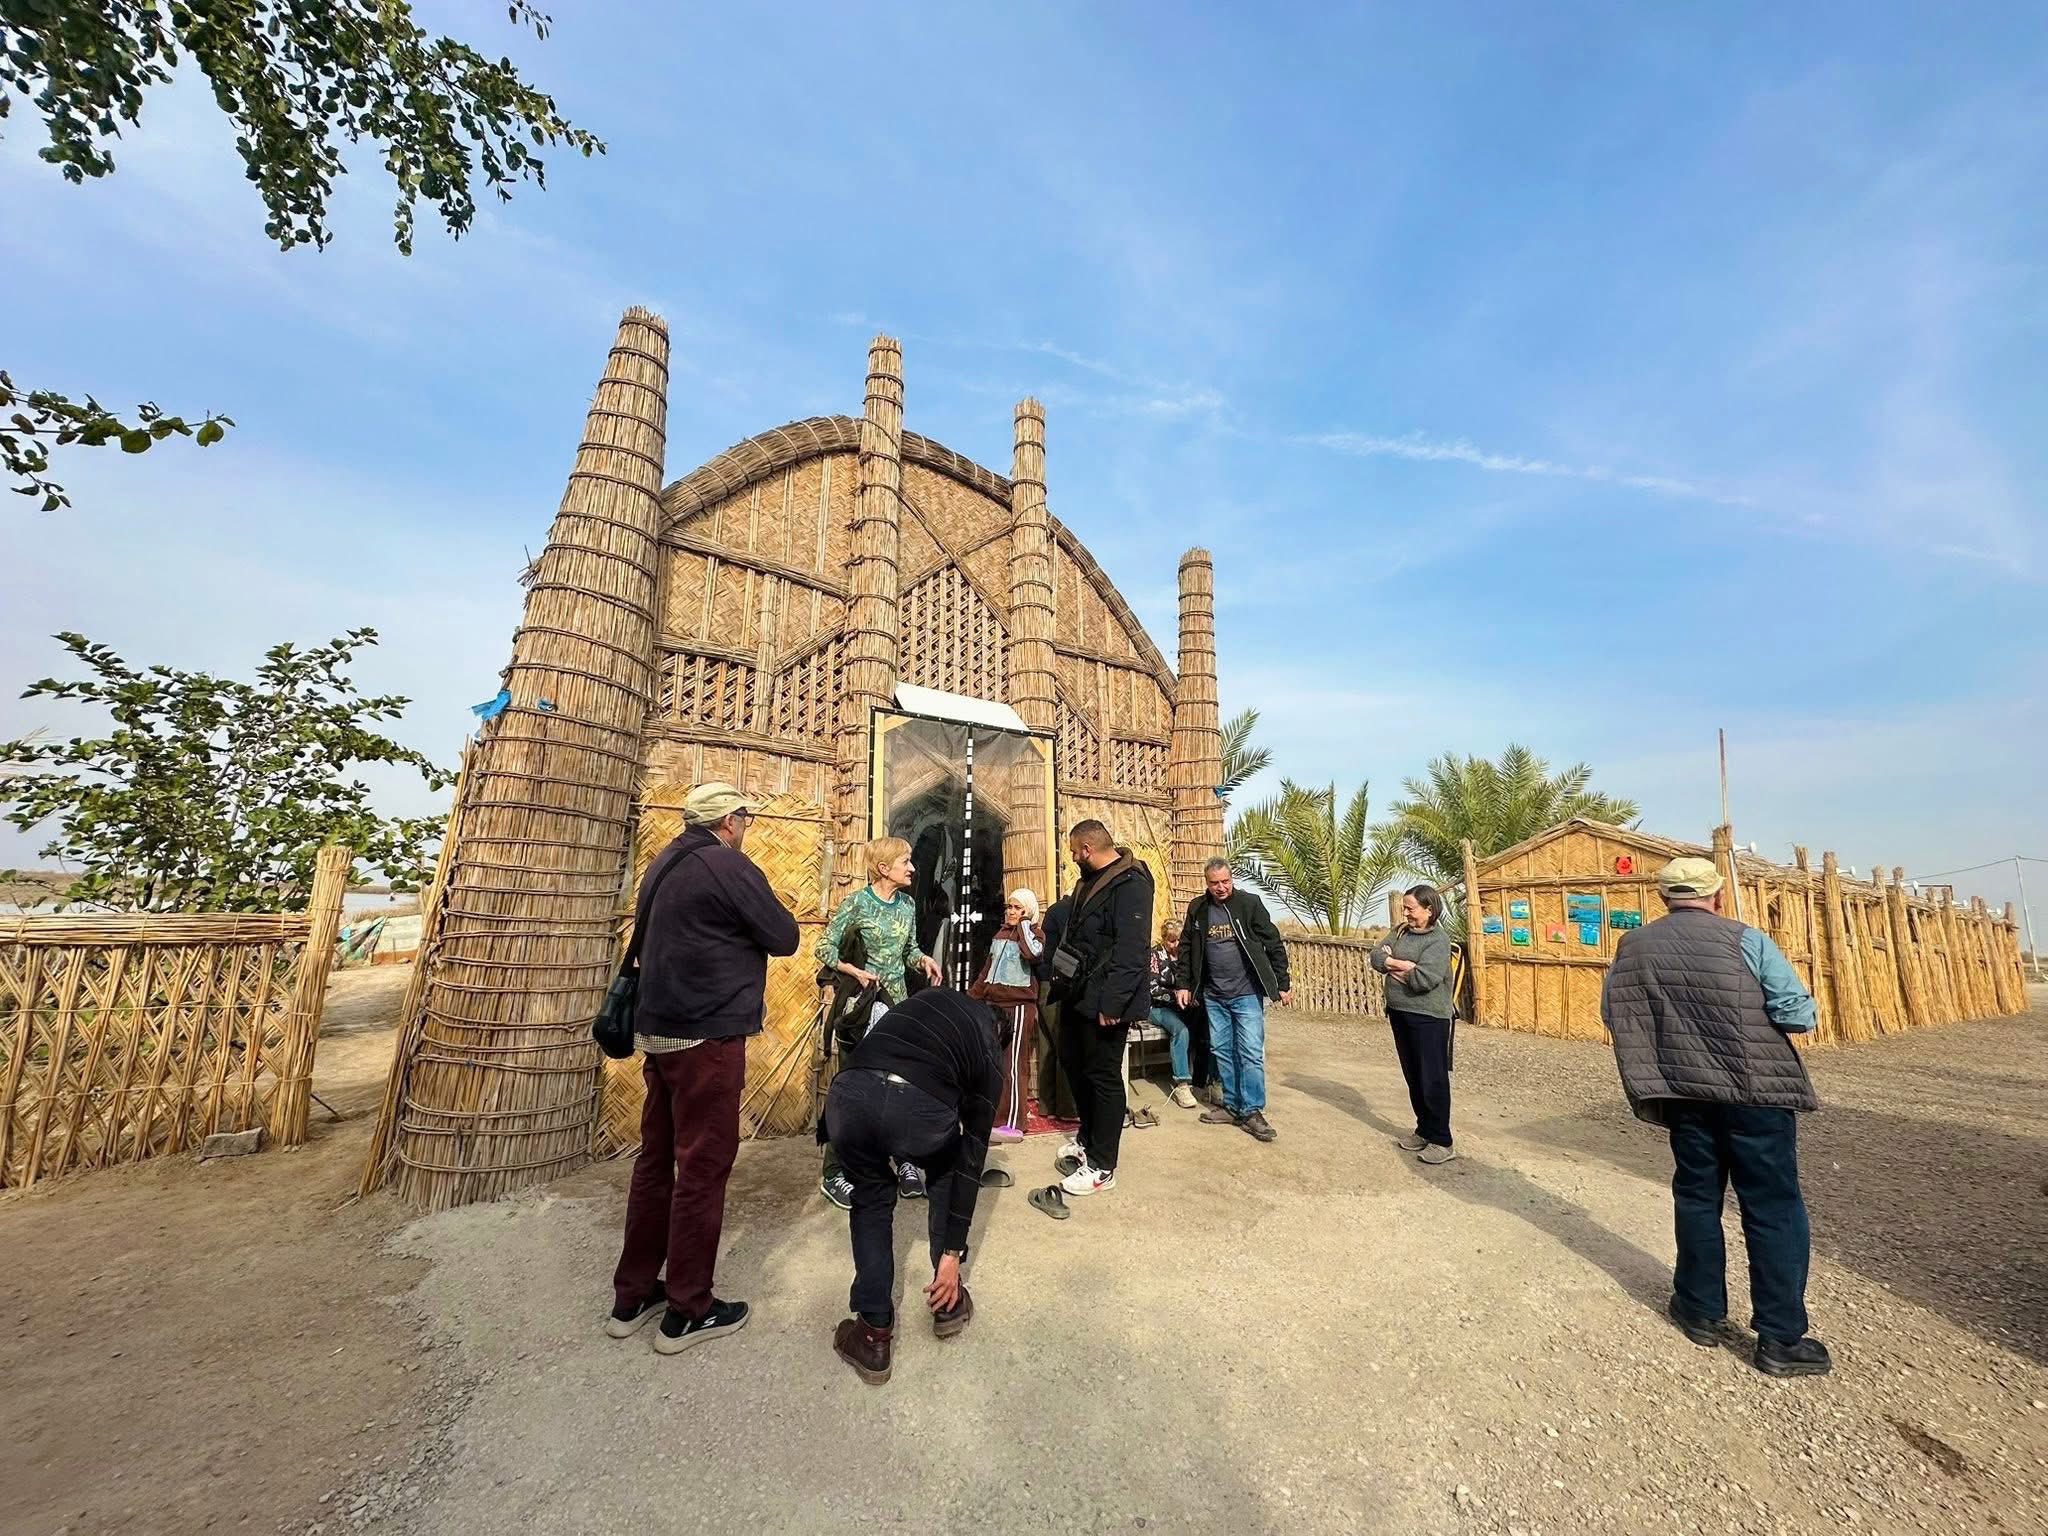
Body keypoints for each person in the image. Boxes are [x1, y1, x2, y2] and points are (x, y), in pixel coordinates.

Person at [1601, 855, 1830, 1379]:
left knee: (1697, 1198)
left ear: (1663, 899)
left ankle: (1699, 1310)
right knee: (1772, 1207)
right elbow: (1797, 1015)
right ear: (1718, 897)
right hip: (1756, 1094)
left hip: (1683, 1091)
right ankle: (1780, 1339)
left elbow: (1614, 1012)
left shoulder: (1633, 946)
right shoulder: (1746, 940)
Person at [607, 782, 799, 1355]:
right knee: (702, 1166)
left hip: (659, 1032)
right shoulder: (726, 864)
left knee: (655, 1161)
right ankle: (689, 1307)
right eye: (746, 817)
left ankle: (632, 1295)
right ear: (729, 820)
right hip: (705, 1035)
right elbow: (784, 936)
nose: (747, 827)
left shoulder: (664, 862)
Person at [824, 987, 1002, 1385]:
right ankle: (948, 1302)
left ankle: (872, 1336)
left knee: (871, 1200)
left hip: (849, 1096)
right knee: (948, 1170)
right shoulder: (989, 1043)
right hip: (915, 1109)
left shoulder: (930, 1000)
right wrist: (954, 1252)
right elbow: (972, 1157)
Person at [815, 837, 944, 1209]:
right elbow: (824, 946)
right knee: (853, 1091)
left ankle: (904, 1162)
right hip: (863, 1008)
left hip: (896, 1009)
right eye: (906, 861)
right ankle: (834, 1174)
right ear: (884, 868)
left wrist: (923, 960)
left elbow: (909, 950)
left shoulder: (906, 905)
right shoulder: (857, 903)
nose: (913, 868)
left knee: (899, 1086)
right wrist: (853, 970)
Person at [1034, 820, 1152, 1210]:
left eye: (1073, 851)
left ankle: (1103, 1166)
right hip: (1078, 993)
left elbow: (1132, 951)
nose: (1071, 857)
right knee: (1073, 1062)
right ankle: (1088, 1140)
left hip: (1107, 1001)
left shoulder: (1131, 884)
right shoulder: (1089, 881)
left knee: (1103, 1076)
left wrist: (1113, 1004)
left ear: (1087, 848)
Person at [1175, 858, 1291, 1143]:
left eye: (1225, 881)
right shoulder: (1198, 908)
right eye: (1214, 883)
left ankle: (1252, 1111)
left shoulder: (1249, 904)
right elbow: (1187, 947)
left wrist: (1282, 983)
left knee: (1250, 1052)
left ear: (1232, 879)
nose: (1221, 887)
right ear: (1206, 883)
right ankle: (1232, 1105)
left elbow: (1273, 942)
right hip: (1214, 995)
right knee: (1222, 1050)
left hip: (1247, 993)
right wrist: (1184, 984)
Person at [1370, 884, 1458, 1164]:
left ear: (1429, 910)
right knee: (1414, 1076)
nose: (1405, 913)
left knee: (1432, 1078)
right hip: (1400, 1013)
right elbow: (1376, 957)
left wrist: (1392, 965)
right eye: (1404, 908)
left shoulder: (1439, 941)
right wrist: (1404, 965)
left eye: (1410, 908)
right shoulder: (1400, 932)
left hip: (1429, 1018)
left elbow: (1424, 980)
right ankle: (1424, 1130)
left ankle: (1442, 1140)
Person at [969, 888, 1044, 1143]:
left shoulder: (1034, 934)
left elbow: (1032, 954)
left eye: (1017, 908)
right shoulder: (1000, 934)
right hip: (995, 1006)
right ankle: (996, 1117)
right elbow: (987, 970)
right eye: (1009, 907)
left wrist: (1024, 924)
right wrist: (971, 998)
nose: (1011, 912)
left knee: (1013, 1065)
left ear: (1028, 911)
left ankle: (1014, 1122)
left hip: (1019, 1006)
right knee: (995, 1064)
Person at [1147, 918, 1200, 1110]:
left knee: (1206, 1027)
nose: (1175, 945)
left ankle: (1209, 1081)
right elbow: (1152, 988)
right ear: (1163, 939)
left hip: (1183, 1006)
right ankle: (1182, 1084)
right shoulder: (1154, 955)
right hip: (1158, 1007)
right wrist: (1176, 996)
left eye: (1178, 940)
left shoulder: (1185, 956)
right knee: (1181, 1030)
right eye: (1171, 941)